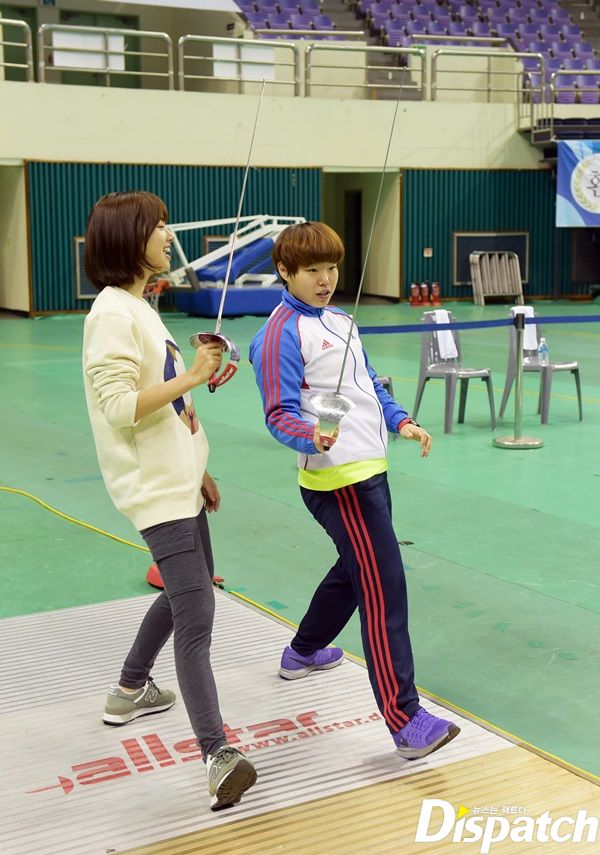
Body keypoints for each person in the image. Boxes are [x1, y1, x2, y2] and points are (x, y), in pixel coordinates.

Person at [249, 221, 460, 760]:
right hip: (337, 480)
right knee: (383, 586)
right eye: (312, 270)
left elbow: (367, 383)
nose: (325, 279)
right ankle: (405, 721)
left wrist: (400, 420)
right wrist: (311, 436)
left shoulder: (341, 319)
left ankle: (303, 651)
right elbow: (279, 413)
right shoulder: (278, 334)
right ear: (285, 272)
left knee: (355, 567)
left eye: (331, 268)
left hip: (370, 469)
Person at [82, 190, 257, 809]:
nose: (168, 235)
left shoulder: (139, 307)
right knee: (197, 613)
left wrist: (198, 466)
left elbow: (168, 400)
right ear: (129, 238)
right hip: (154, 489)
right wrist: (192, 375)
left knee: (192, 589)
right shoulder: (111, 313)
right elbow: (118, 407)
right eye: (157, 226)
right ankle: (216, 754)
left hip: (178, 479)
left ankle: (130, 689)